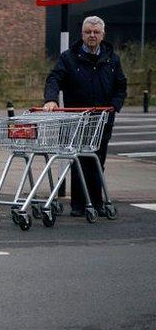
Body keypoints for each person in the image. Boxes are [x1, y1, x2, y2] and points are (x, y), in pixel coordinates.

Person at [43, 15, 127, 216]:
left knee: (97, 161)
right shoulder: (68, 57)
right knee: (79, 160)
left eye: (96, 32)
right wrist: (51, 99)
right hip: (77, 119)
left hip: (102, 120)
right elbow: (54, 79)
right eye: (88, 32)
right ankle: (79, 205)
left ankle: (96, 203)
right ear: (82, 34)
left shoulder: (112, 59)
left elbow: (120, 86)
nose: (92, 35)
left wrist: (114, 106)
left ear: (102, 35)